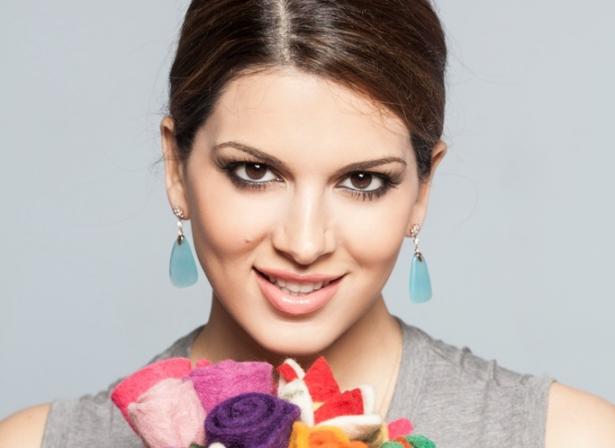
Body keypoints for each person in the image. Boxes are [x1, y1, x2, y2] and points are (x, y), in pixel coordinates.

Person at [2, 0, 615, 447]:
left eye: (362, 180)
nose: (303, 243)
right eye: (254, 171)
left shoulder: (569, 437)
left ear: (422, 188)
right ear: (176, 168)